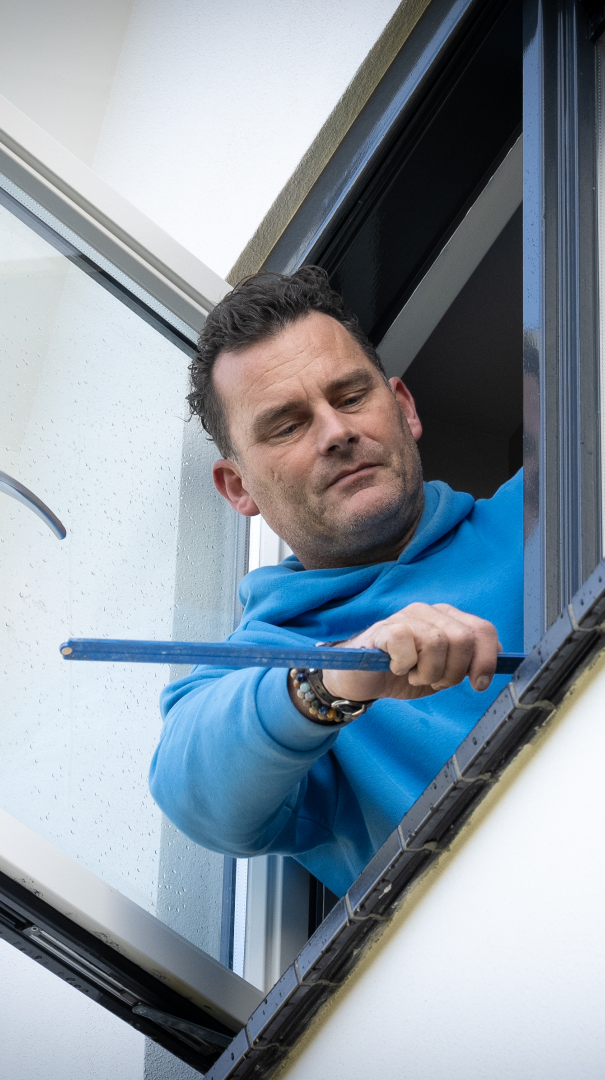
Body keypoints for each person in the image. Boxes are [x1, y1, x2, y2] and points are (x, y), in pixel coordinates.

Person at [148, 267, 522, 896]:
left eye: (350, 397)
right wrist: (334, 680)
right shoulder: (265, 663)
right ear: (238, 488)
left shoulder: (551, 503)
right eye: (288, 425)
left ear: (402, 407)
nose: (337, 432)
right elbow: (191, 792)